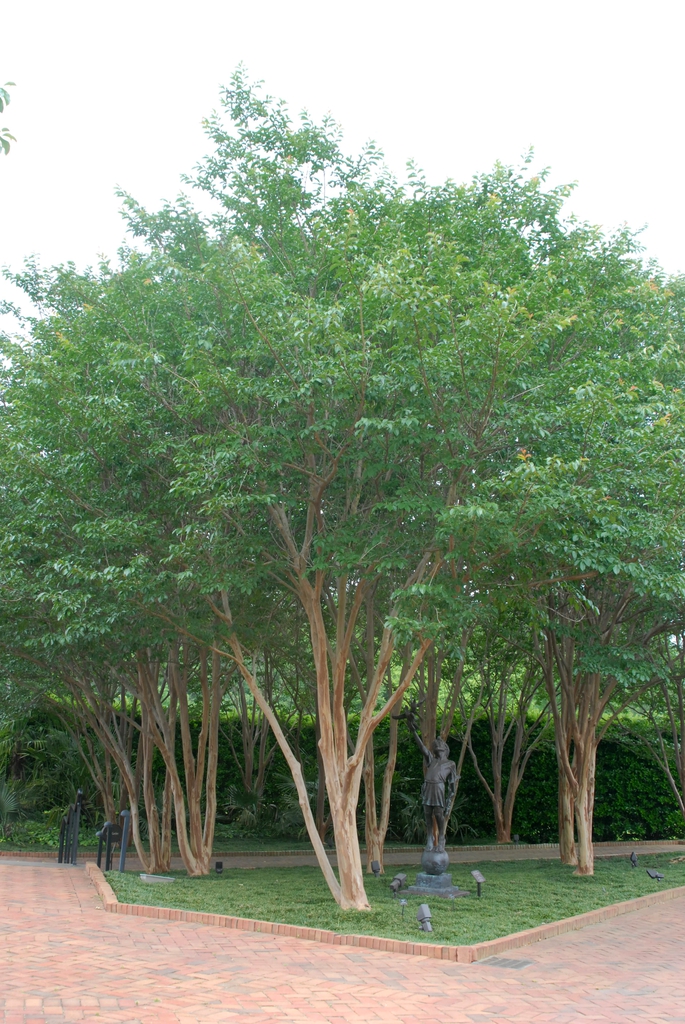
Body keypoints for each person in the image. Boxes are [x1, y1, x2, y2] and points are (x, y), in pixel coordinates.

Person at [405, 707, 458, 853]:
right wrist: (413, 731)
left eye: (441, 744)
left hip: (439, 788)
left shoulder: (451, 764)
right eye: (436, 745)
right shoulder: (431, 759)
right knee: (427, 813)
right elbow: (422, 747)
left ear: (445, 749)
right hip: (428, 787)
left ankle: (441, 838)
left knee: (439, 814)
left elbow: (452, 784)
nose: (438, 745)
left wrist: (450, 798)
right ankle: (429, 837)